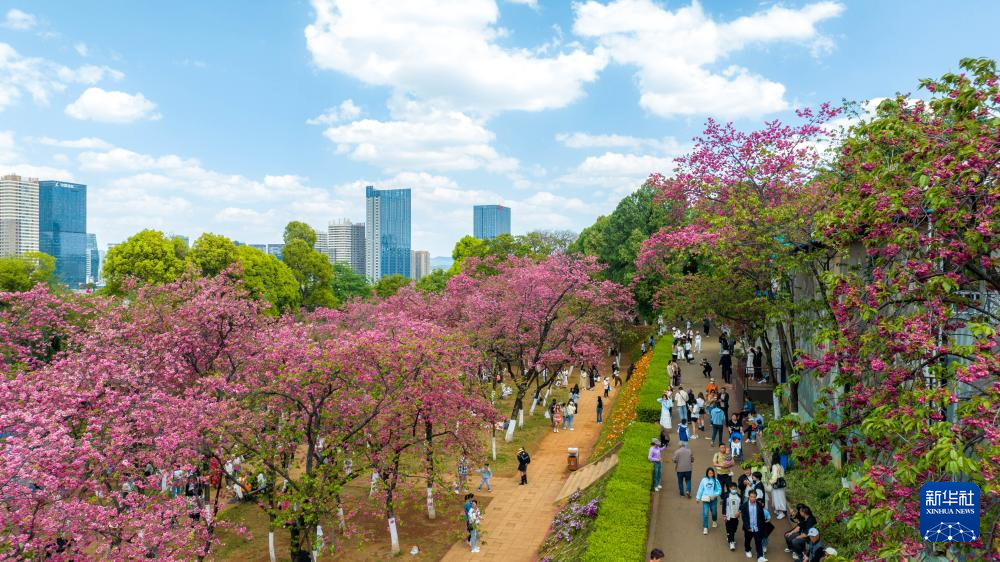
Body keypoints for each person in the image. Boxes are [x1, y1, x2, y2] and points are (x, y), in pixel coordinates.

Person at [741, 489, 767, 562]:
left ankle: (760, 556)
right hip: (748, 528)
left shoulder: (759, 505)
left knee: (758, 541)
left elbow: (762, 516)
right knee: (747, 540)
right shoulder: (744, 505)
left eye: (754, 497)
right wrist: (747, 527)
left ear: (756, 497)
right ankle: (747, 550)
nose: (753, 498)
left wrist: (762, 526)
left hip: (757, 527)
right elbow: (744, 517)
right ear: (749, 496)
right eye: (751, 497)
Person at [696, 467, 722, 534]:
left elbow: (719, 490)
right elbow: (700, 489)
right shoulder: (704, 480)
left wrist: (715, 495)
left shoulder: (716, 480)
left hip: (713, 500)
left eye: (712, 473)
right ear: (707, 473)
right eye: (709, 473)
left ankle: (714, 520)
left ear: (713, 473)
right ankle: (705, 527)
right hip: (706, 500)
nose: (710, 474)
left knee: (714, 512)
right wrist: (698, 498)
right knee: (705, 513)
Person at [768, 452, 788, 519]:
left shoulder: (774, 466)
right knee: (781, 498)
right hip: (781, 485)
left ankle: (781, 512)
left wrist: (769, 482)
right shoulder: (780, 466)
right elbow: (782, 475)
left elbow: (774, 477)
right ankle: (779, 511)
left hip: (776, 486)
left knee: (777, 499)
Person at [724, 481, 741, 551]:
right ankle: (731, 542)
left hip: (736, 516)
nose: (733, 490)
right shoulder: (727, 496)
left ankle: (729, 535)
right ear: (729, 488)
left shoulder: (739, 496)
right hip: (729, 516)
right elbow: (724, 506)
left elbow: (741, 505)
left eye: (735, 488)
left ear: (736, 489)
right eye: (732, 488)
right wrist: (724, 515)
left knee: (734, 529)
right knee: (730, 528)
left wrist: (739, 512)